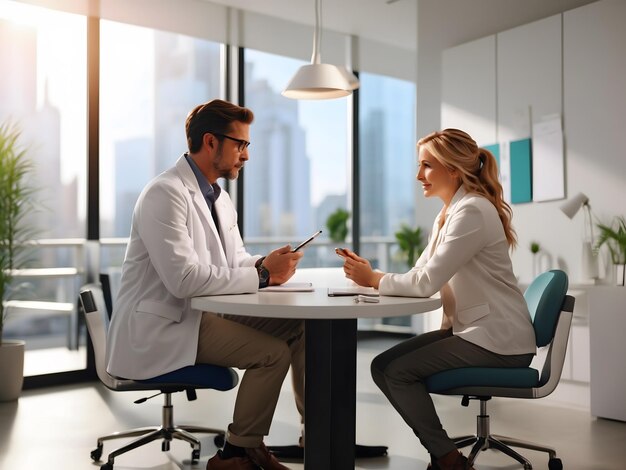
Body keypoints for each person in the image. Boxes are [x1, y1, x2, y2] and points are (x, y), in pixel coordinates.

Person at [106, 99, 305, 470]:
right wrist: (262, 276)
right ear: (210, 142)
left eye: (248, 145)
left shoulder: (220, 198)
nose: (246, 155)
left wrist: (265, 265)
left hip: (200, 315)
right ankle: (235, 454)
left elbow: (234, 261)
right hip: (162, 325)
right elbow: (183, 280)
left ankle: (316, 435)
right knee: (272, 353)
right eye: (240, 144)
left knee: (301, 328)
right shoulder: (164, 193)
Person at [337, 129, 536, 470]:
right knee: (383, 366)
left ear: (454, 169)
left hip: (497, 340)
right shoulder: (448, 213)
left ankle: (447, 460)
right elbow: (420, 272)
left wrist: (374, 279)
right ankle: (445, 454)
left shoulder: (472, 211)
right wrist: (372, 276)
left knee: (395, 371)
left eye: (427, 166)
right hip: (475, 332)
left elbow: (426, 282)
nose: (418, 176)